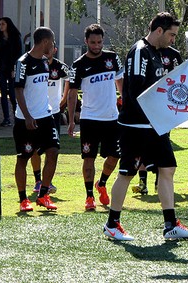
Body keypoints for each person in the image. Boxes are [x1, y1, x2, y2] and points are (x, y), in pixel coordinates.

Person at [103, 12, 188, 240]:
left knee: (167, 168)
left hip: (156, 124)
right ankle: (112, 224)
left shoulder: (160, 53)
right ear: (159, 31)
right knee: (127, 172)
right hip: (135, 125)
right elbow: (135, 90)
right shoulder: (139, 52)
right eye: (171, 35)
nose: (173, 40)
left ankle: (170, 224)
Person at [67, 24, 123, 211]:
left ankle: (102, 183)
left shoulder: (112, 58)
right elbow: (72, 94)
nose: (97, 45)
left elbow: (120, 81)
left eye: (100, 42)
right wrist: (71, 120)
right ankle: (89, 196)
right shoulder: (79, 65)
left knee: (115, 156)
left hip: (112, 118)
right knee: (88, 158)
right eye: (93, 42)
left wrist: (125, 103)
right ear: (86, 42)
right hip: (90, 119)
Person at [13, 27, 59, 212]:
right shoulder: (23, 62)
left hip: (46, 117)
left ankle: (43, 195)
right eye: (53, 42)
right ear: (46, 42)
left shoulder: (45, 62)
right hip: (26, 120)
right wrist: (27, 116)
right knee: (23, 158)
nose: (54, 46)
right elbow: (17, 90)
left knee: (54, 152)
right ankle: (23, 199)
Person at [131, 46, 183, 196]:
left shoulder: (174, 55)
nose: (172, 39)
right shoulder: (144, 53)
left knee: (163, 147)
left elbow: (180, 78)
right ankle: (142, 183)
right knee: (142, 147)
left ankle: (158, 183)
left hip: (165, 108)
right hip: (146, 109)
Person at [31, 42, 70, 194]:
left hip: (53, 113)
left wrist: (64, 98)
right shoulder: (34, 64)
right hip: (37, 112)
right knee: (34, 148)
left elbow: (70, 79)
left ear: (55, 49)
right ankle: (37, 180)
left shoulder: (60, 67)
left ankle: (48, 181)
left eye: (51, 48)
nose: (47, 51)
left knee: (52, 149)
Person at [0, 17, 23, 127]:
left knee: (12, 93)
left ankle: (17, 116)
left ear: (8, 25)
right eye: (0, 24)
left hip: (12, 70)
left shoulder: (15, 37)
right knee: (3, 93)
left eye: (3, 24)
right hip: (1, 69)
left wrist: (14, 69)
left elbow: (18, 55)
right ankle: (6, 118)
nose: (1, 26)